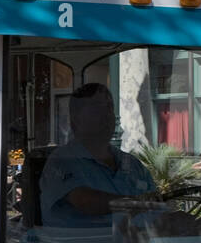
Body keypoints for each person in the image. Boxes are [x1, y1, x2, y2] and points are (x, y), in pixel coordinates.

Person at [39, 82, 154, 227]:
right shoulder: (62, 160)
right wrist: (137, 202)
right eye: (97, 109)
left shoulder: (132, 164)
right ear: (76, 118)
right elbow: (85, 201)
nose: (107, 115)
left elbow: (156, 207)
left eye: (109, 108)